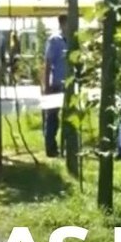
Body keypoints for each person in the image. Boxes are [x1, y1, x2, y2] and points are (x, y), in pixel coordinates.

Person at [42, 15, 68, 157]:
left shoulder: (71, 40)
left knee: (68, 118)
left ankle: (65, 147)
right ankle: (50, 148)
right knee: (52, 117)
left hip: (68, 84)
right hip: (56, 84)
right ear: (62, 23)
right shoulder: (55, 40)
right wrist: (46, 85)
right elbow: (47, 63)